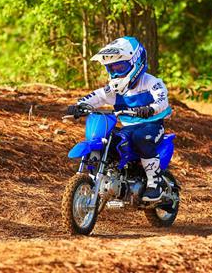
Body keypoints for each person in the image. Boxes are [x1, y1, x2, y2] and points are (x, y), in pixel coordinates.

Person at [67, 36, 172, 201]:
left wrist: (150, 109)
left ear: (136, 62)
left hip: (151, 126)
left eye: (120, 67)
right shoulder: (114, 89)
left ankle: (155, 182)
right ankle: (104, 178)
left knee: (141, 138)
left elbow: (162, 100)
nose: (115, 72)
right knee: (107, 140)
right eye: (111, 68)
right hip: (127, 128)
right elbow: (97, 96)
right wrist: (78, 105)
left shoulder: (151, 82)